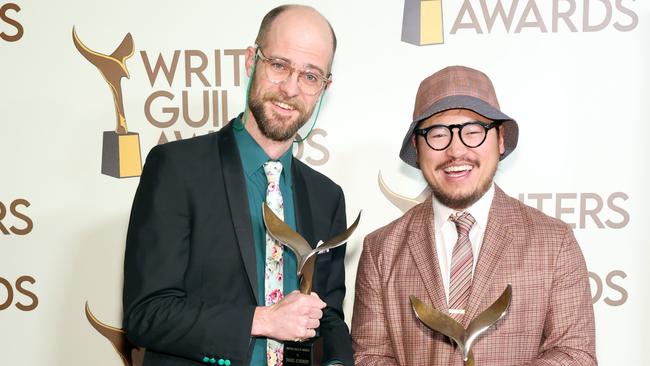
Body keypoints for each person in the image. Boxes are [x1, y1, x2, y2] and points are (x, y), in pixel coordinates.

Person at [123, 5, 352, 365]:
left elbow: (328, 317)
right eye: (279, 65)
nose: (290, 88)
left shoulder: (327, 197)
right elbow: (146, 315)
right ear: (251, 60)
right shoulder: (177, 169)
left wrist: (338, 360)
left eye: (310, 76)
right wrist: (262, 320)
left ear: (324, 87)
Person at [351, 66, 596, 365]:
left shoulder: (554, 242)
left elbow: (575, 354)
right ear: (417, 146)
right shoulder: (381, 250)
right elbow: (370, 356)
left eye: (473, 132)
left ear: (500, 139)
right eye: (438, 134)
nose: (456, 151)